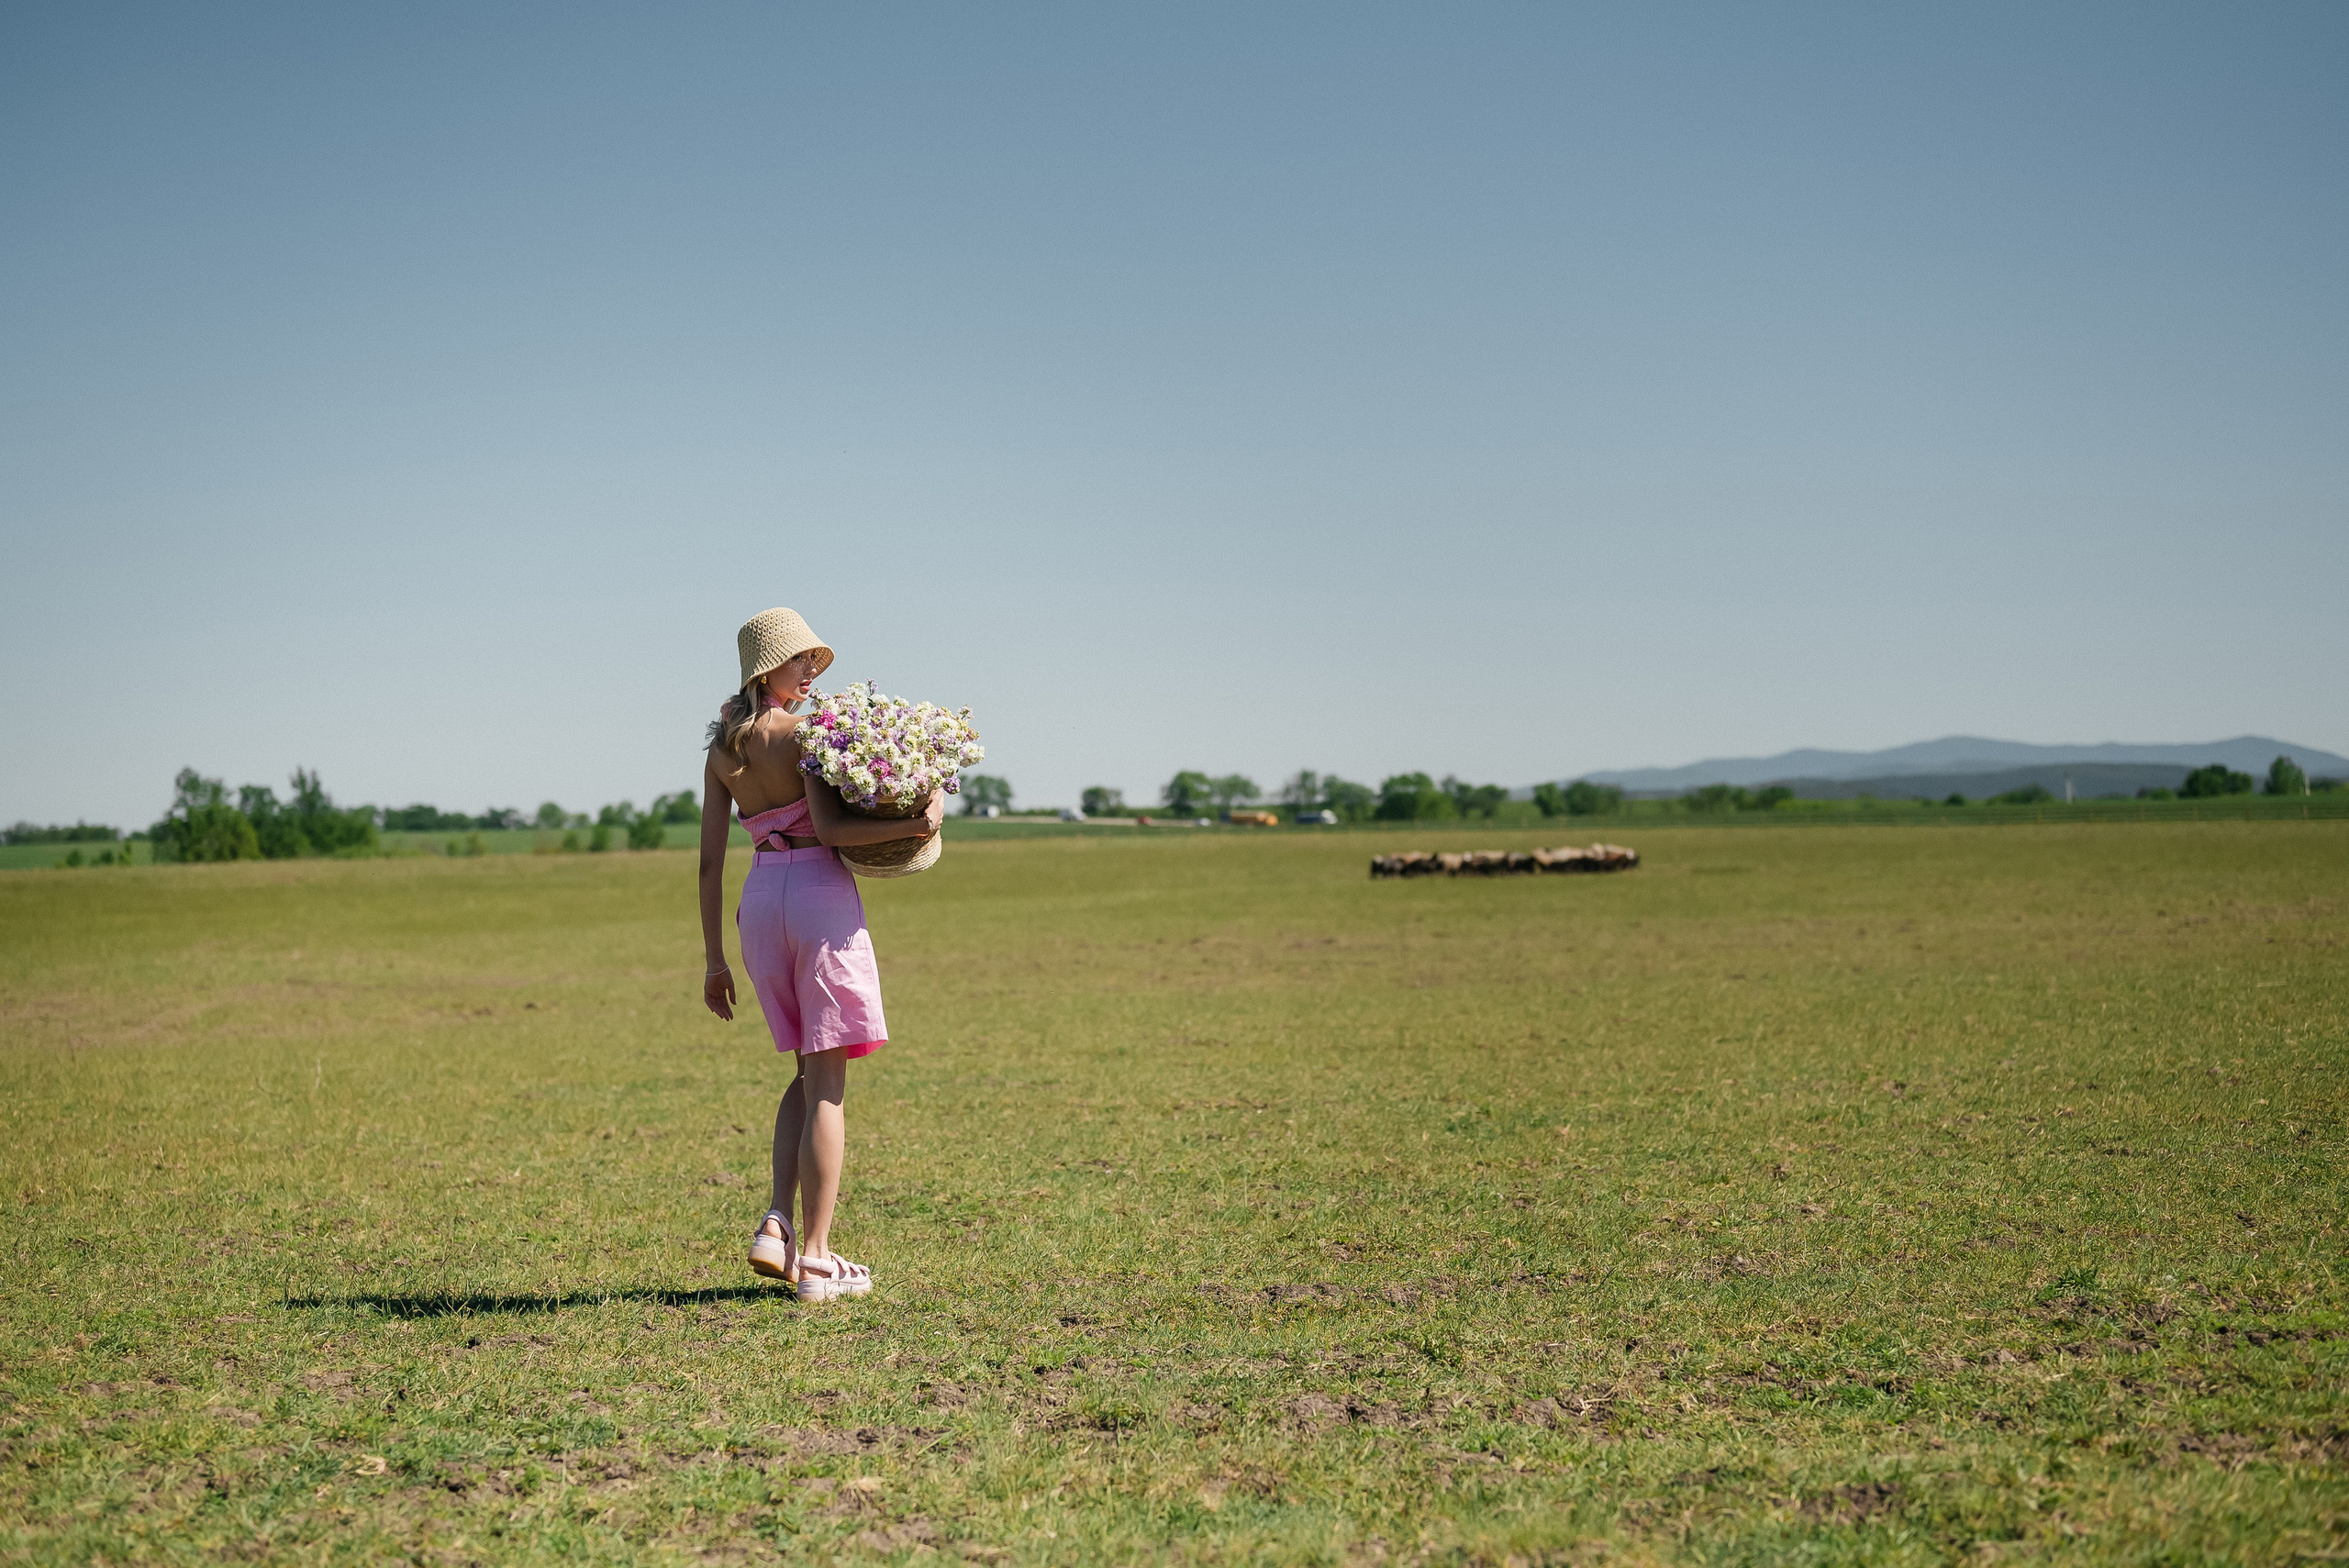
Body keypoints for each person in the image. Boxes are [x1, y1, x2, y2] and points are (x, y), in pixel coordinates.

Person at [697, 607, 945, 1300]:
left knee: (806, 1072)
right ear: (765, 669)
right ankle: (816, 1257)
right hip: (816, 896)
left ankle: (776, 1223)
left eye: (813, 660)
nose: (811, 670)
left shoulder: (723, 750)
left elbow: (709, 864)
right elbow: (833, 829)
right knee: (828, 1083)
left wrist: (714, 961)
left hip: (759, 903)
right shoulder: (806, 734)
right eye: (799, 659)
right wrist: (914, 819)